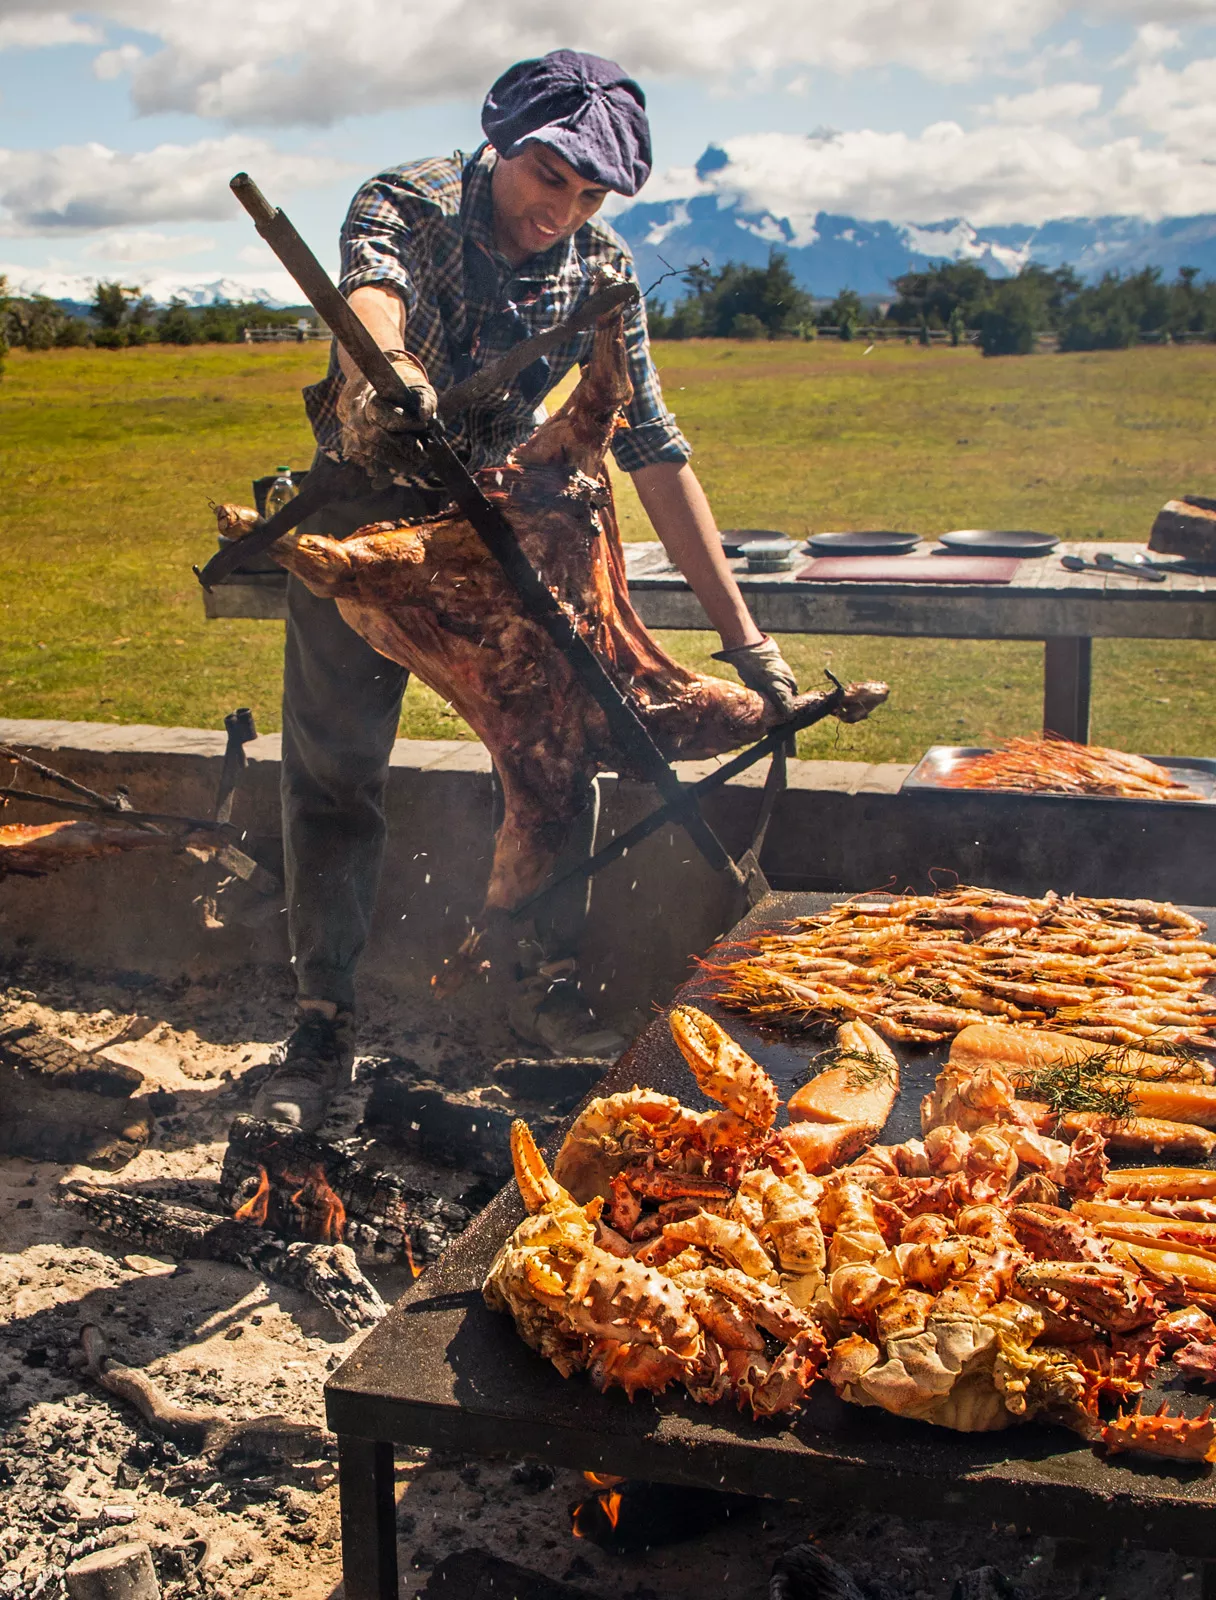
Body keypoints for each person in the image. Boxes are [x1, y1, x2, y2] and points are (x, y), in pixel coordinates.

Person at [252, 49, 799, 1133]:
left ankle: (535, 983)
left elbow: (651, 444)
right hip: (364, 523)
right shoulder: (405, 198)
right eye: (551, 176)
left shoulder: (602, 272)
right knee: (335, 771)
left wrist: (748, 642)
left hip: (506, 537)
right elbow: (373, 293)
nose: (564, 208)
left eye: (590, 194)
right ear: (505, 140)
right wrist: (389, 366)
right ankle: (322, 1008)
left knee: (560, 750)